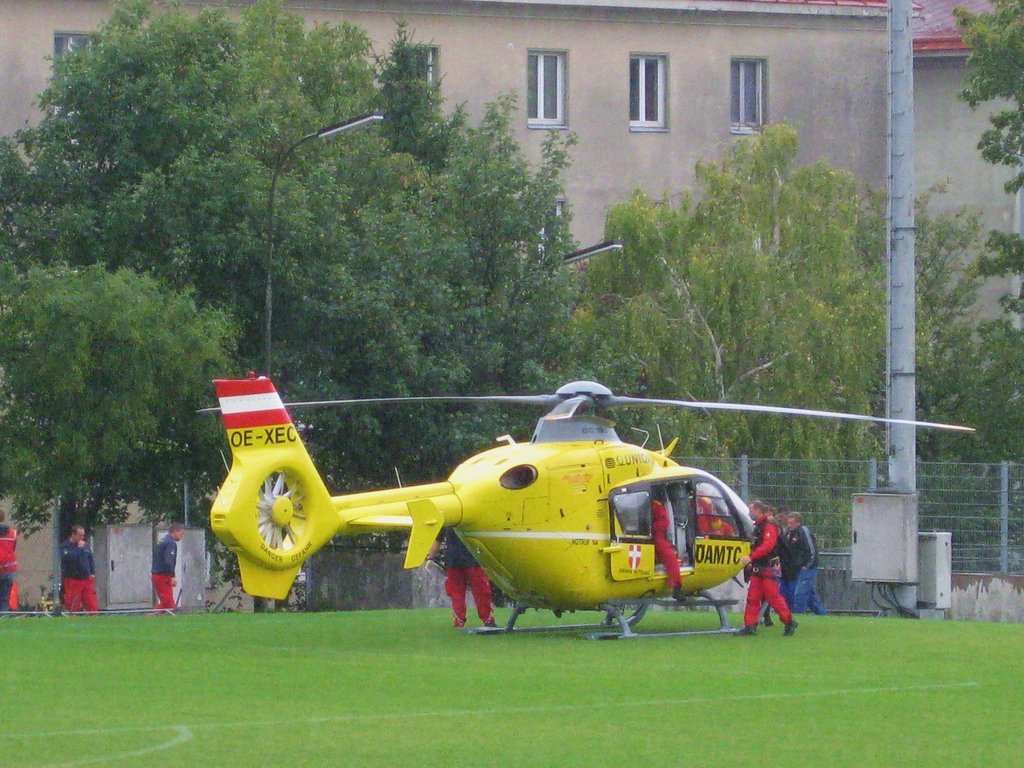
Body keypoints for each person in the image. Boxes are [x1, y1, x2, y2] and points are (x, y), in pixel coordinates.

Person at [737, 500, 797, 636]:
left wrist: (751, 557)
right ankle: (750, 626)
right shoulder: (760, 526)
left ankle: (788, 621)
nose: (749, 513)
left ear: (758, 510)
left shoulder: (769, 525)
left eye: (751, 511)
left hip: (768, 567)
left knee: (773, 596)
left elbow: (768, 546)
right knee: (753, 597)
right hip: (759, 567)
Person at [429, 528, 496, 628]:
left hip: (455, 560)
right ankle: (487, 619)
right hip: (470, 560)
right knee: (480, 590)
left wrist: (430, 558)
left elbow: (438, 540)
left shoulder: (447, 522)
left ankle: (460, 620)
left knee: (458, 592)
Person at [788, 512, 828, 615]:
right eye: (789, 523)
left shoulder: (803, 531)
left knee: (800, 594)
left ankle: (798, 616)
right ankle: (823, 615)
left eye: (792, 523)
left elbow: (811, 549)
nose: (789, 525)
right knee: (810, 596)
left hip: (808, 568)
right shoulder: (791, 533)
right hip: (799, 568)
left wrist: (807, 565)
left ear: (798, 523)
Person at [60, 525, 99, 613]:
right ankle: (74, 617)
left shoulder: (85, 546)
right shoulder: (65, 546)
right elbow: (69, 557)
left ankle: (93, 617)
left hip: (86, 579)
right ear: (73, 534)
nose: (82, 537)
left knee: (91, 603)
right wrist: (79, 549)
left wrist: (92, 573)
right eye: (80, 535)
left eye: (83, 535)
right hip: (72, 580)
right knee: (73, 604)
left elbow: (90, 559)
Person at [652, 498, 684, 600]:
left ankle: (677, 587)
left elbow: (664, 522)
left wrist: (651, 527)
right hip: (652, 537)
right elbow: (664, 522)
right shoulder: (656, 506)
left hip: (653, 535)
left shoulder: (655, 506)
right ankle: (677, 587)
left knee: (669, 555)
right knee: (670, 556)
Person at [152, 523, 185, 611]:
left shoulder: (162, 541)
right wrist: (172, 576)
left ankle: (155, 616)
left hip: (157, 574)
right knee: (168, 605)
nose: (182, 536)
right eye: (181, 533)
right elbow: (169, 560)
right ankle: (149, 614)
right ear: (175, 532)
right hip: (162, 576)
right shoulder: (170, 543)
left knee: (168, 603)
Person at [0, 509, 17, 613]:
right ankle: (4, 614)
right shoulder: (12, 533)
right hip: (8, 569)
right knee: (5, 597)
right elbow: (13, 548)